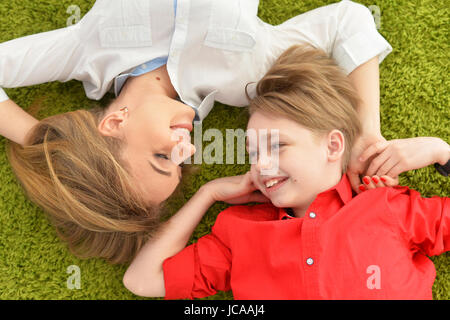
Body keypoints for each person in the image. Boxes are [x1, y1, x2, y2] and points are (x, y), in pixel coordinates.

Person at [0, 0, 394, 263]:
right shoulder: (245, 77)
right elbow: (350, 20)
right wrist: (364, 134)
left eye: (161, 157)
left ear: (114, 123)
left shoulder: (88, 50)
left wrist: (44, 138)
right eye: (180, 165)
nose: (187, 151)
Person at [122, 44, 450, 299]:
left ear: (333, 146)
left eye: (277, 146)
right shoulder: (239, 234)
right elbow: (141, 279)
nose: (261, 165)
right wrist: (207, 195)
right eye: (253, 153)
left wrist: (441, 151)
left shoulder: (389, 208)